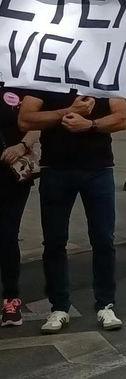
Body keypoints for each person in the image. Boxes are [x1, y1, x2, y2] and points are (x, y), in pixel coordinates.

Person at [19, 89, 126, 333]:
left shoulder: (102, 77)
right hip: (55, 169)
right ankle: (59, 306)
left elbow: (122, 117)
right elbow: (26, 118)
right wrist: (68, 112)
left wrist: (89, 125)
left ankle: (105, 303)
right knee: (55, 241)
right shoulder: (47, 76)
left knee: (103, 238)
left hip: (98, 169)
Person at [1, 88, 39, 328]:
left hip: (11, 174)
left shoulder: (20, 82)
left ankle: (11, 299)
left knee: (7, 236)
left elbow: (36, 122)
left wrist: (23, 146)